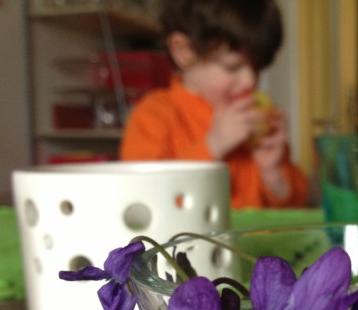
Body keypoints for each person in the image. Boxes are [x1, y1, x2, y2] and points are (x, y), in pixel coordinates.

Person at [120, 0, 309, 209]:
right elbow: (143, 197)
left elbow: (298, 201)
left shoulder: (255, 119)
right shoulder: (153, 115)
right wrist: (213, 145)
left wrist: (272, 170)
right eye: (232, 67)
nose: (249, 81)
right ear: (185, 51)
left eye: (257, 68)